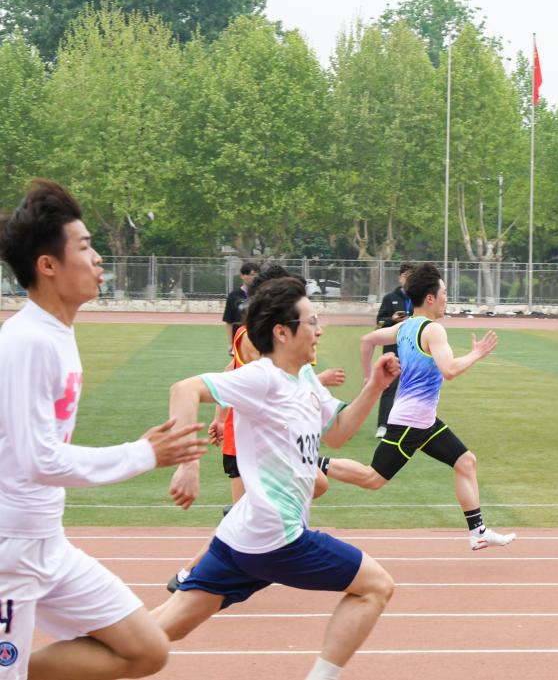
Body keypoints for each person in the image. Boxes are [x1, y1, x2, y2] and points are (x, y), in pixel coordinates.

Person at [0, 179, 208, 680]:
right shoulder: (28, 342)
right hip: (9, 552)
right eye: (86, 247)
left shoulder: (58, 334)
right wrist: (143, 453)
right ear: (47, 265)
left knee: (146, 649)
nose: (98, 260)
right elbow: (39, 460)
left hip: (46, 543)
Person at [154, 276, 400, 680]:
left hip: (241, 534)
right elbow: (184, 389)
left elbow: (337, 432)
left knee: (163, 629)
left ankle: (70, 656)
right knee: (376, 586)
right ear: (283, 332)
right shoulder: (262, 378)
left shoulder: (303, 379)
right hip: (276, 536)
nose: (320, 330)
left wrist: (374, 385)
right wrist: (188, 463)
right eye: (312, 321)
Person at [166, 265, 346, 593]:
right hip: (256, 437)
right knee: (245, 524)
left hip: (276, 433)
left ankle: (226, 544)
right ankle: (190, 573)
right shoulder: (259, 342)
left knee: (315, 485)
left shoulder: (264, 341)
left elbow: (232, 372)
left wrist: (219, 417)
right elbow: (261, 384)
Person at [326, 263, 516, 551]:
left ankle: (477, 531)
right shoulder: (433, 331)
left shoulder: (404, 327)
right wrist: (477, 354)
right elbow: (449, 370)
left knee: (466, 461)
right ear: (430, 297)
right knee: (373, 478)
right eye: (444, 293)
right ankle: (309, 463)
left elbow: (368, 340)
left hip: (424, 420)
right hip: (410, 421)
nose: (446, 299)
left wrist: (368, 376)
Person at [374, 262, 414, 437]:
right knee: (389, 387)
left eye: (411, 276)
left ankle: (408, 424)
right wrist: (392, 319)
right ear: (400, 277)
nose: (407, 279)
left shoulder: (418, 299)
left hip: (413, 350)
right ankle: (383, 425)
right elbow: (379, 322)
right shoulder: (390, 298)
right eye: (405, 275)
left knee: (412, 386)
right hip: (393, 349)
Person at [222, 262, 257, 349]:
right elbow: (228, 321)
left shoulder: (262, 294)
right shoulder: (233, 296)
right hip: (239, 339)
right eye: (250, 275)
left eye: (255, 275)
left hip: (258, 340)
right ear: (242, 276)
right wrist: (230, 344)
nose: (253, 278)